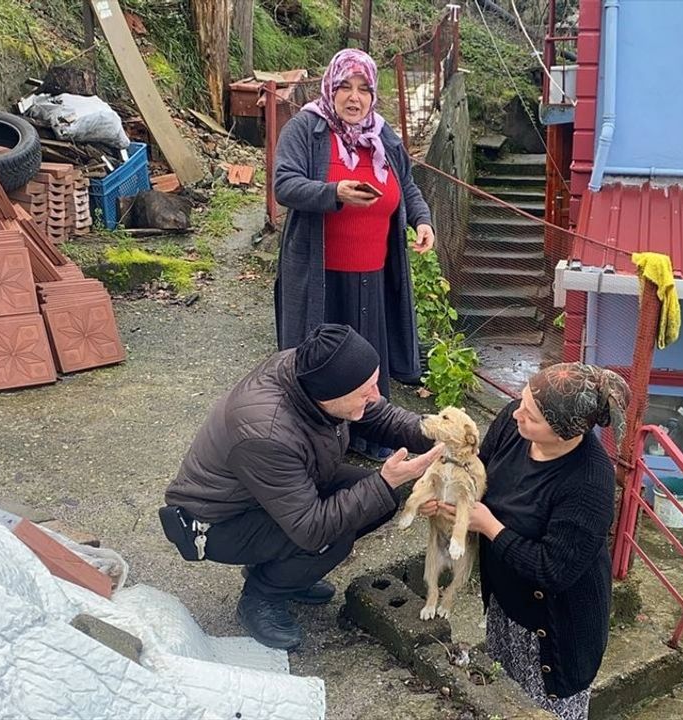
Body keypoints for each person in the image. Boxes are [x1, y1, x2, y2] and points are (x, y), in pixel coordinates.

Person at [163, 324, 445, 650]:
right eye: (365, 390)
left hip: (267, 493)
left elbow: (377, 414)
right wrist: (388, 479)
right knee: (332, 536)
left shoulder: (312, 373)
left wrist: (436, 432)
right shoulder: (266, 433)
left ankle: (285, 572)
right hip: (215, 523)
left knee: (376, 502)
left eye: (374, 383)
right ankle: (261, 598)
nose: (376, 395)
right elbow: (311, 528)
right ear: (329, 396)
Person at [421, 363, 630, 720]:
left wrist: (490, 527)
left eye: (530, 414)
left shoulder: (589, 483)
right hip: (507, 606)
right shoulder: (515, 423)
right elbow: (478, 472)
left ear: (564, 432)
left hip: (556, 632)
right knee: (503, 693)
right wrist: (446, 498)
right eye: (522, 400)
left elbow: (553, 571)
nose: (517, 412)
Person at [273, 47, 436, 462]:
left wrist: (422, 220)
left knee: (367, 366)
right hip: (322, 276)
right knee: (322, 364)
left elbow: (409, 187)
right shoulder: (306, 129)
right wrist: (334, 193)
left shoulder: (383, 135)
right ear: (330, 87)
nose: (354, 97)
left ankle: (370, 436)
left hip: (374, 275)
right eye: (344, 86)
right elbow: (285, 185)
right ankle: (315, 443)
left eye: (363, 88)